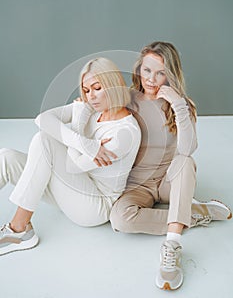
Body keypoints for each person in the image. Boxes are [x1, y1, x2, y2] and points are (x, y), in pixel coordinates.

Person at [108, 41, 232, 290]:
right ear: (138, 70)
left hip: (168, 181)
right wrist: (82, 104)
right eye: (146, 70)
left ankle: (172, 247)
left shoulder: (182, 104)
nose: (151, 79)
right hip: (137, 185)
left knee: (186, 162)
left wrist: (178, 105)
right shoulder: (127, 99)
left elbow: (187, 149)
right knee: (119, 220)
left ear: (171, 74)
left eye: (160, 72)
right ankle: (195, 214)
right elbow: (99, 113)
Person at [0, 57, 141, 255]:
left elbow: (73, 165)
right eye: (86, 90)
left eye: (97, 87)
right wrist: (86, 143)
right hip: (71, 189)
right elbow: (43, 119)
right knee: (6, 157)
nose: (90, 96)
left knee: (44, 141)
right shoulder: (92, 109)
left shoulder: (124, 133)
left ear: (113, 84)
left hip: (94, 204)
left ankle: (20, 229)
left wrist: (78, 121)